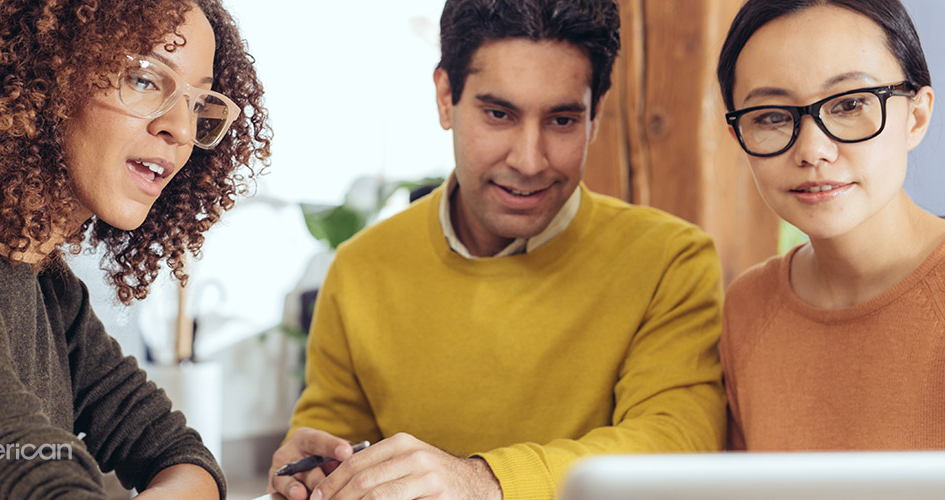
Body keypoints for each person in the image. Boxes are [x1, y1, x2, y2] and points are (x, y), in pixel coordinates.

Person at [267, 1, 727, 499]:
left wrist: (484, 482)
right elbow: (331, 437)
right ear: (446, 98)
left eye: (563, 120)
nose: (529, 160)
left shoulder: (669, 260)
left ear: (596, 114)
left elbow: (677, 443)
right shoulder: (361, 267)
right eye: (498, 114)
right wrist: (311, 470)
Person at [0, 0, 270, 498]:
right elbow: (24, 478)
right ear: (38, 77)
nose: (182, 130)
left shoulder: (49, 290)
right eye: (145, 80)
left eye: (199, 102)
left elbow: (179, 454)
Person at [716, 0, 943, 450]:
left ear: (916, 117)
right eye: (772, 117)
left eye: (850, 104)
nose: (813, 150)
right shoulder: (748, 308)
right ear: (739, 138)